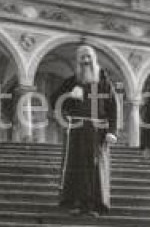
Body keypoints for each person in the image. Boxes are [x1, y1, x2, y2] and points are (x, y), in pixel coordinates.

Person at [51, 44, 119, 215]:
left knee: (95, 167)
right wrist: (69, 97)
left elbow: (114, 107)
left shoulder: (104, 82)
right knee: (77, 166)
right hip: (77, 130)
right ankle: (77, 203)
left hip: (98, 130)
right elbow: (54, 101)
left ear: (94, 59)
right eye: (82, 58)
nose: (86, 60)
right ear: (78, 61)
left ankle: (95, 205)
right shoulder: (72, 81)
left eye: (88, 57)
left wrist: (112, 131)